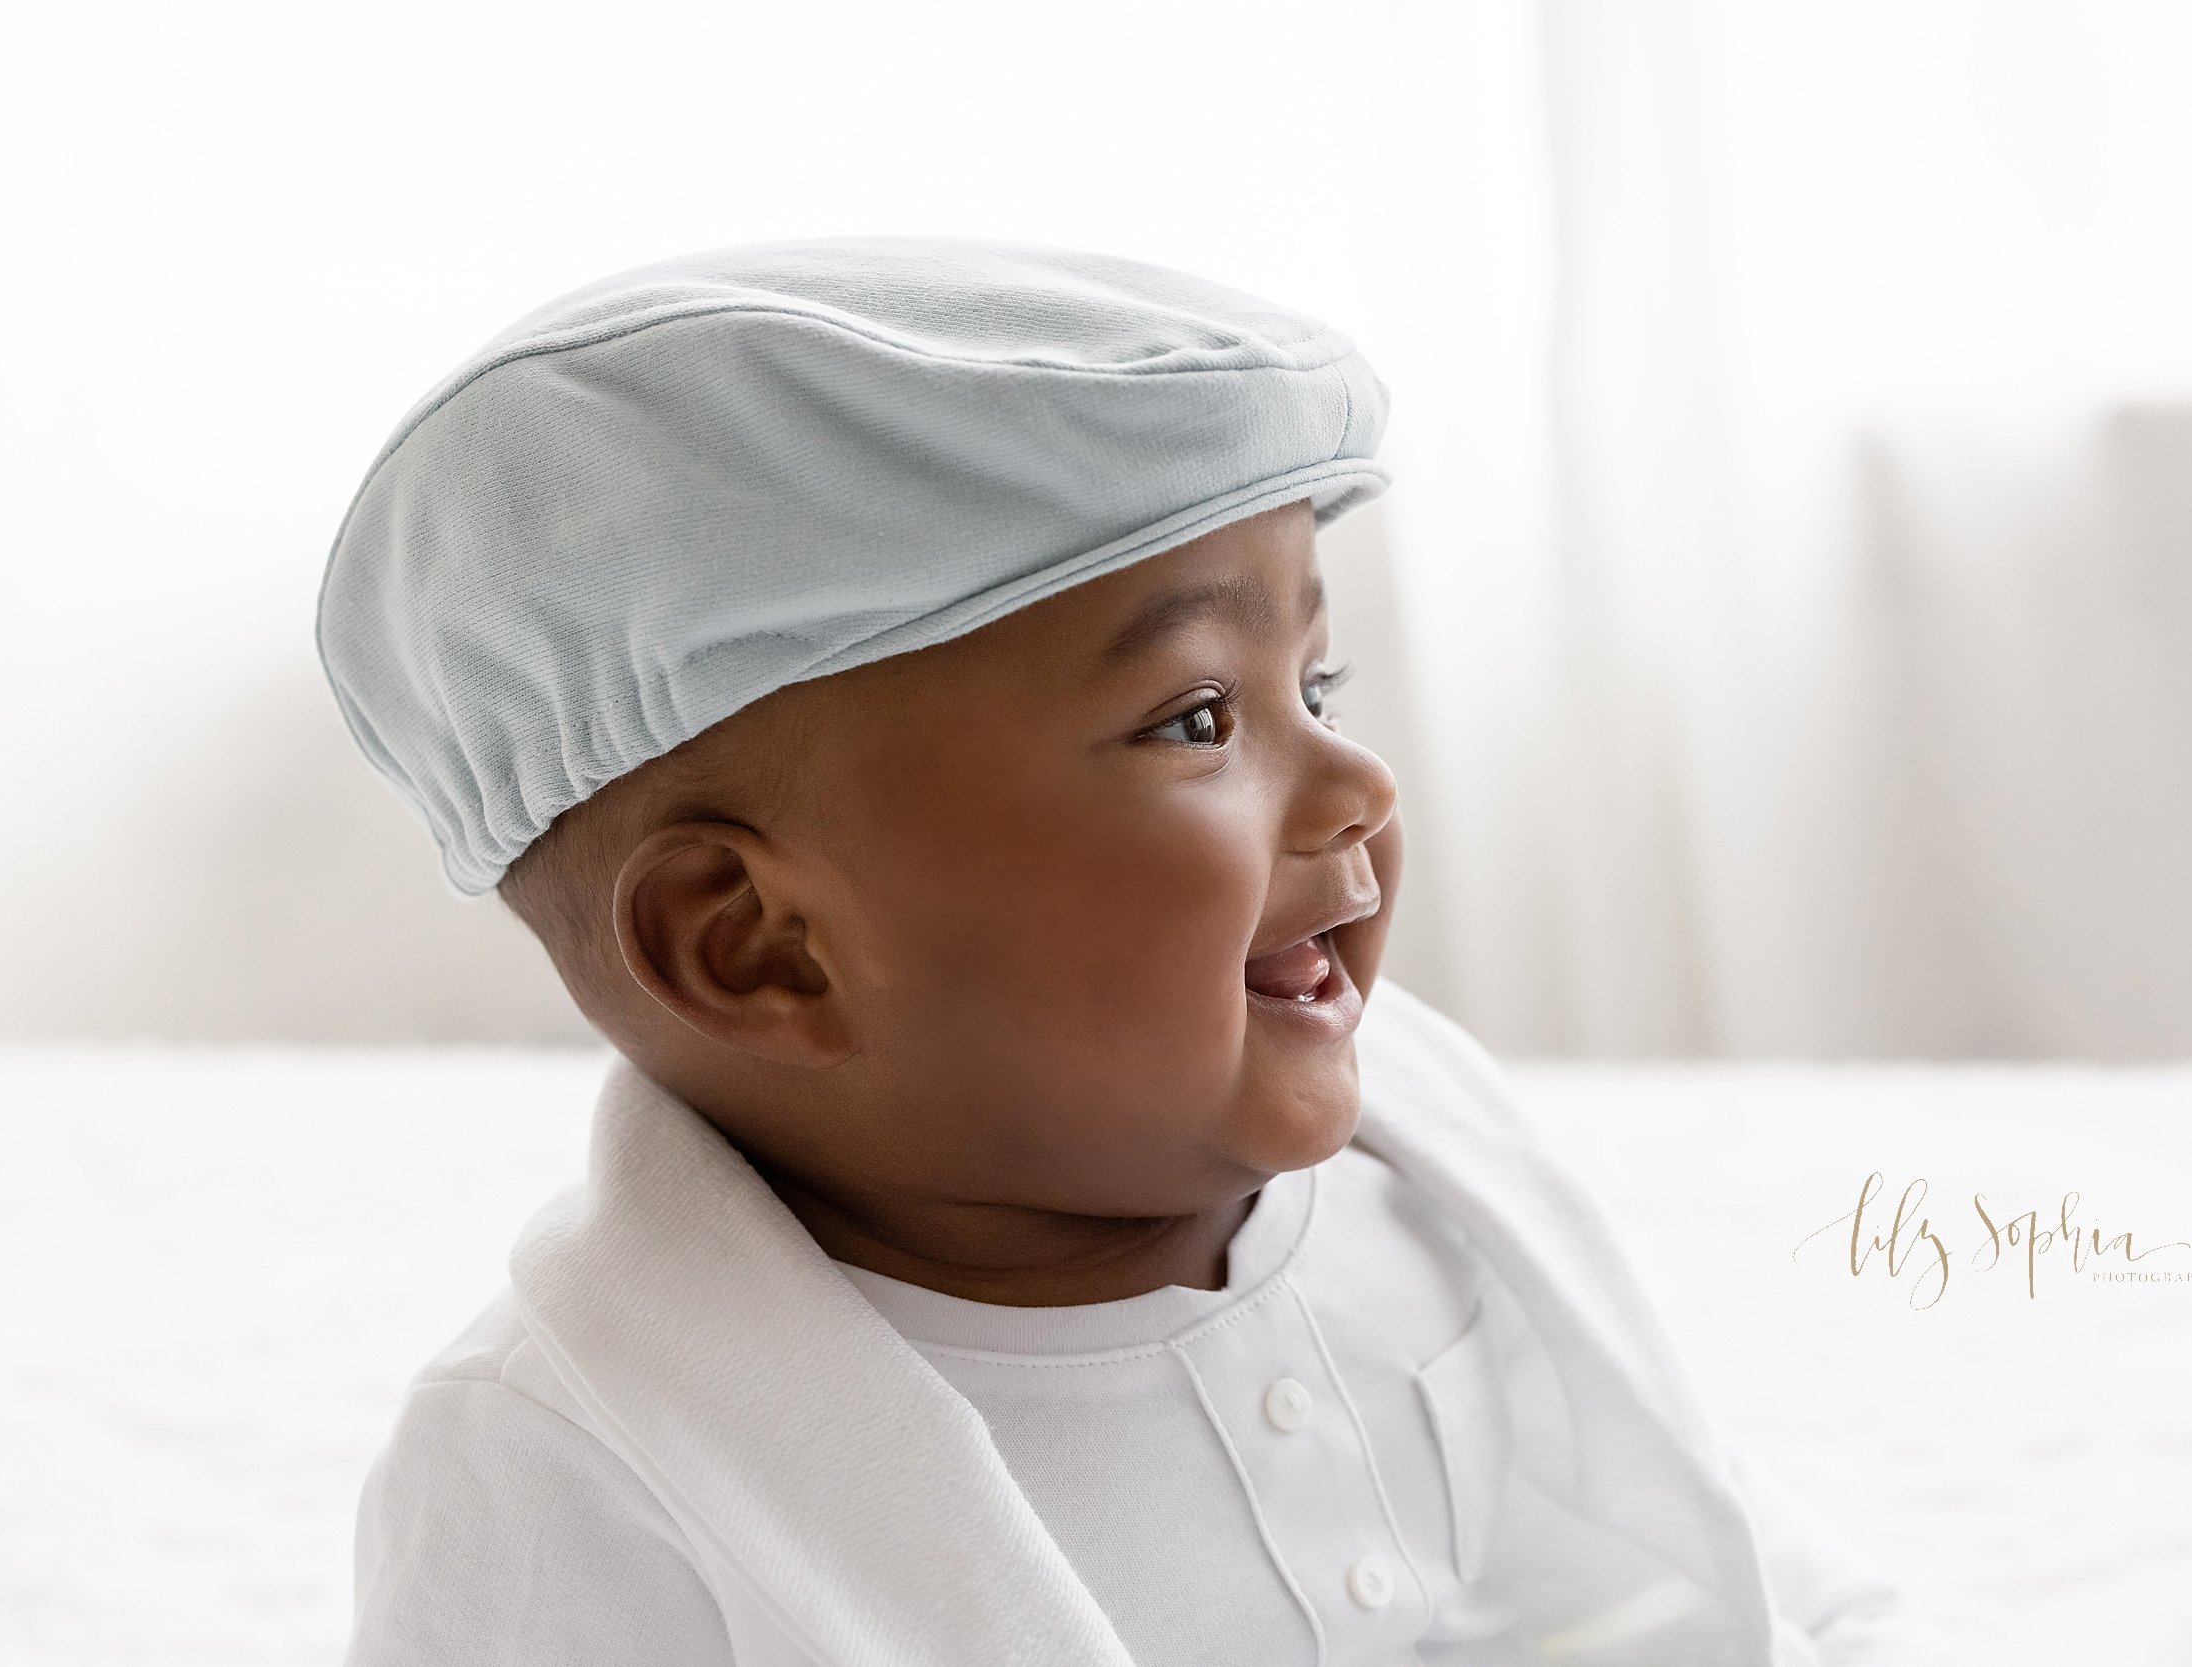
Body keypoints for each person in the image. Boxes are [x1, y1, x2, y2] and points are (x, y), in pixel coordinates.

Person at [317, 238, 1918, 1666]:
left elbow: (1719, 1561)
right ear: (760, 950)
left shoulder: (1424, 1186)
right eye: (1199, 718)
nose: (1358, 783)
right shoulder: (586, 1467)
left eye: (1324, 685)